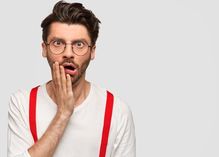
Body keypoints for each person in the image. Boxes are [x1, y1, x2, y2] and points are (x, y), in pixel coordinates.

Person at [7, 1, 136, 157]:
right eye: (58, 43)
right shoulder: (23, 103)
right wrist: (63, 113)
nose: (68, 53)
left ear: (92, 51)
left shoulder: (117, 111)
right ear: (44, 49)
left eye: (79, 44)